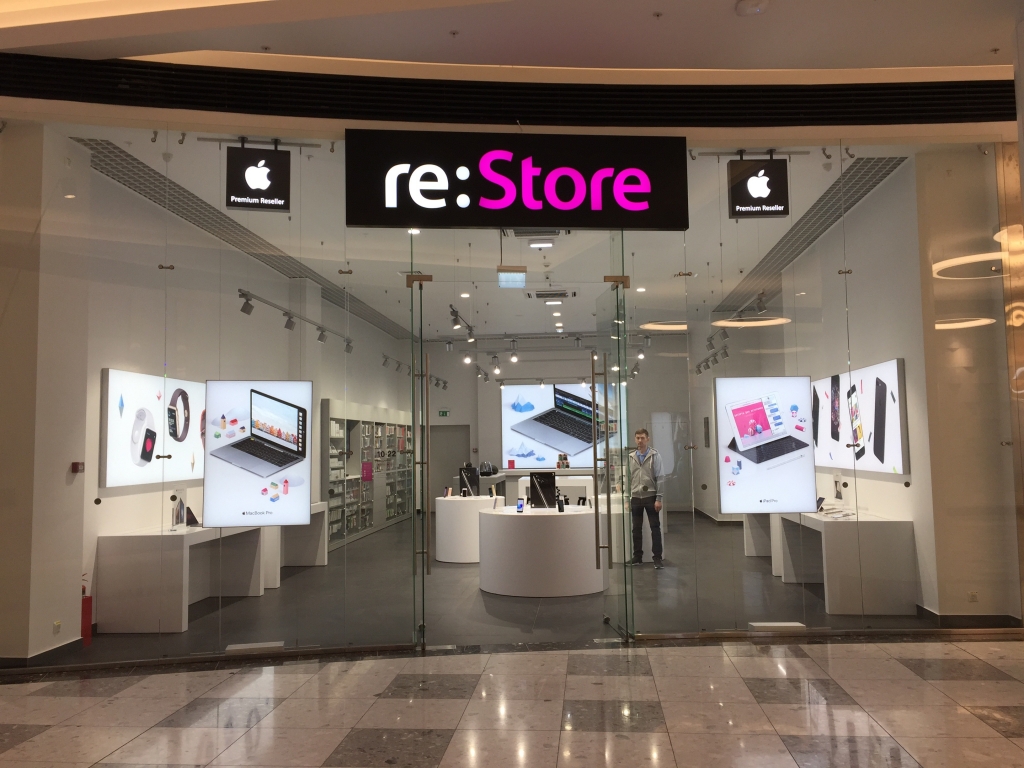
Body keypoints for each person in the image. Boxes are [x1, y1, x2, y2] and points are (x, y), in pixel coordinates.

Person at [629, 428, 664, 568]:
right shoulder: (631, 457)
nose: (640, 440)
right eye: (637, 438)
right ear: (635, 439)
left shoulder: (655, 455)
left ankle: (657, 558)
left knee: (655, 528)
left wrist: (659, 498)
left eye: (642, 438)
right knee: (636, 528)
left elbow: (660, 477)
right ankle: (637, 556)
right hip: (635, 497)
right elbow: (627, 478)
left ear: (647, 439)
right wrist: (627, 498)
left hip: (651, 496)